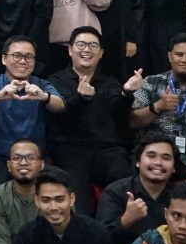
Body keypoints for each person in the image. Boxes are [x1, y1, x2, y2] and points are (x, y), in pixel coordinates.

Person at [46, 27, 137, 215]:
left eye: (93, 45)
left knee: (125, 179)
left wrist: (126, 93)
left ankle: (116, 228)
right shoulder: (55, 81)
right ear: (70, 50)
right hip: (70, 150)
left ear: (101, 53)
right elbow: (61, 113)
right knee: (76, 198)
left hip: (106, 150)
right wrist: (81, 99)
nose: (86, 49)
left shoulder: (110, 82)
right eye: (81, 44)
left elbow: (119, 112)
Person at [0, 36, 65, 189]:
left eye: (29, 57)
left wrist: (44, 96)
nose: (23, 61)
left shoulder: (42, 85)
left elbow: (60, 105)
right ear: (4, 59)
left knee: (51, 188)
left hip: (35, 157)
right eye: (17, 55)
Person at [129, 33, 186, 171]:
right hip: (155, 155)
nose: (184, 60)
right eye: (179, 54)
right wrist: (157, 107)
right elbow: (133, 122)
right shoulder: (150, 84)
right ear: (170, 56)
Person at [96, 133, 176, 244]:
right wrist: (125, 220)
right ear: (138, 162)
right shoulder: (115, 192)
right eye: (151, 156)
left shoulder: (180, 196)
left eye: (166, 158)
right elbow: (99, 241)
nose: (158, 162)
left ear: (174, 167)